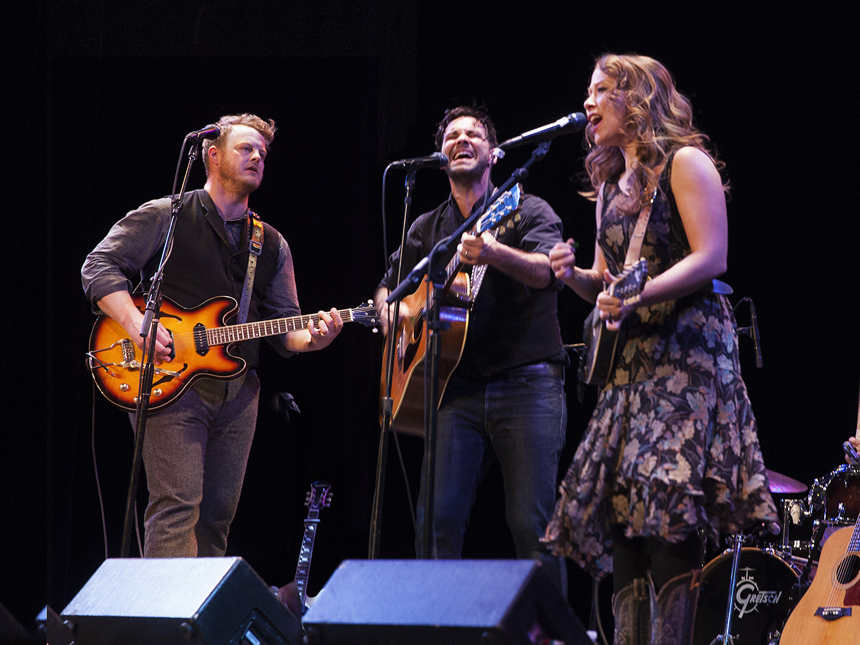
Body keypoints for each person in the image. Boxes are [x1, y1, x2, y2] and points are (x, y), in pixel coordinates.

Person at [542, 55, 779, 645]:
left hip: (687, 363)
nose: (589, 103)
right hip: (630, 370)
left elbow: (711, 257)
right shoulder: (607, 187)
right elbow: (607, 282)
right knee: (627, 521)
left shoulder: (685, 162)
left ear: (636, 98)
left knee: (671, 517)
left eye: (600, 91)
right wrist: (572, 276)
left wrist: (640, 293)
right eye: (587, 92)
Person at [82, 113, 343, 558]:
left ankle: (199, 623)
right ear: (212, 155)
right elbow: (98, 266)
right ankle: (164, 624)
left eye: (263, 152)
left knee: (217, 517)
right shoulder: (167, 214)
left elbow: (286, 327)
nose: (258, 156)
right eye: (246, 148)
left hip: (240, 393)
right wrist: (136, 322)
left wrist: (313, 339)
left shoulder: (272, 244)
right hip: (167, 378)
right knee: (177, 506)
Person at [374, 106, 569, 594]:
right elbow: (386, 288)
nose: (462, 140)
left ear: (495, 153)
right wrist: (392, 315)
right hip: (453, 389)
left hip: (526, 381)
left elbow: (548, 272)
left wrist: (495, 253)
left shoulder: (526, 210)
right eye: (453, 136)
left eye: (474, 134)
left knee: (532, 525)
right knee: (435, 524)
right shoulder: (426, 226)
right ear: (441, 158)